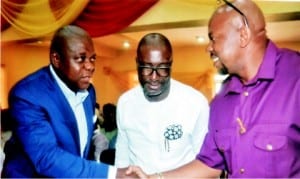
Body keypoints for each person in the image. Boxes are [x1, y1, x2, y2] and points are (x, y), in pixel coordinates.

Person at [124, 0, 300, 178]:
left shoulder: (295, 78)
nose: (208, 47)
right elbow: (210, 163)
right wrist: (154, 178)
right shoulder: (222, 98)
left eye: (213, 38)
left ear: (243, 35)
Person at [1, 25, 114, 178]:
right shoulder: (27, 94)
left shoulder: (89, 91)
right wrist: (112, 174)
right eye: (80, 59)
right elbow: (46, 157)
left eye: (92, 58)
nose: (90, 66)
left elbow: (86, 133)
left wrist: (97, 140)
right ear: (56, 59)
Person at [115, 33, 209, 176]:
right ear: (137, 63)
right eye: (146, 67)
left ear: (171, 64)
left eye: (162, 68)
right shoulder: (125, 103)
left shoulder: (195, 103)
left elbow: (204, 164)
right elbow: (122, 161)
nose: (154, 77)